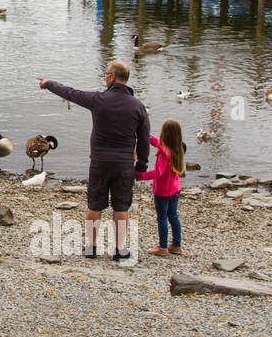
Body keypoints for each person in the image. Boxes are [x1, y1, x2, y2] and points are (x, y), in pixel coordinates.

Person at [38, 61, 150, 260]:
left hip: (99, 162)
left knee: (95, 205)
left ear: (113, 77)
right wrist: (141, 166)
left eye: (106, 74)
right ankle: (120, 249)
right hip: (124, 164)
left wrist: (48, 83)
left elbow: (70, 93)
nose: (105, 77)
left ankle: (91, 246)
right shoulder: (138, 106)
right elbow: (143, 140)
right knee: (121, 206)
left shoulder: (99, 99)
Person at [138, 119, 184, 256]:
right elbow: (155, 141)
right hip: (175, 190)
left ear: (164, 134)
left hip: (162, 192)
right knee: (173, 217)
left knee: (162, 218)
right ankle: (177, 245)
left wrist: (141, 175)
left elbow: (158, 173)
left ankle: (162, 247)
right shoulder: (177, 149)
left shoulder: (164, 154)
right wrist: (144, 134)